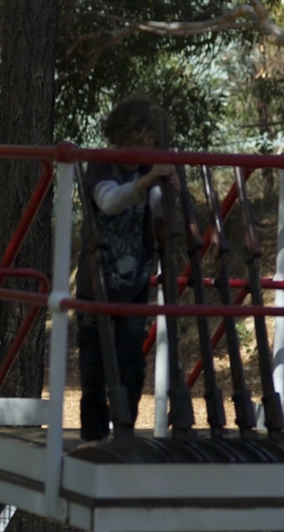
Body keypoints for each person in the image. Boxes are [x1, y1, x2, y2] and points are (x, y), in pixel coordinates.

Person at [74, 95, 179, 445]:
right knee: (94, 368)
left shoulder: (144, 174)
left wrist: (169, 190)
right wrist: (148, 180)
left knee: (132, 362)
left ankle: (124, 431)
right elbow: (109, 201)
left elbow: (157, 210)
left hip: (134, 283)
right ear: (131, 137)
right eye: (147, 140)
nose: (150, 147)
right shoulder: (102, 167)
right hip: (97, 281)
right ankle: (93, 437)